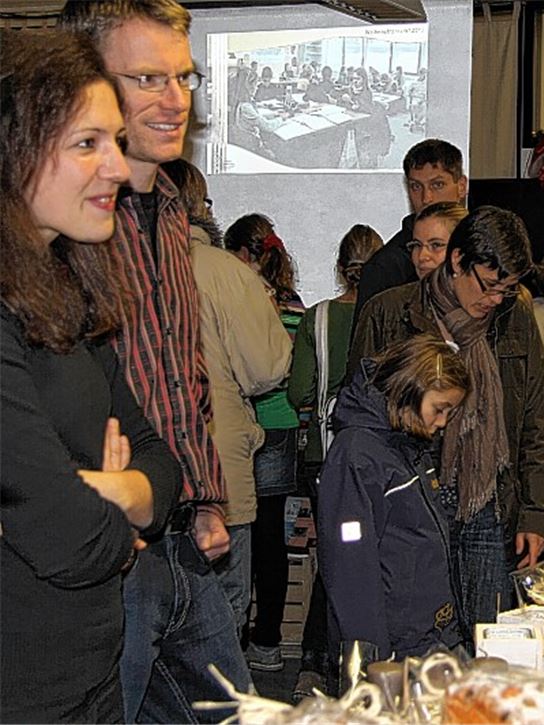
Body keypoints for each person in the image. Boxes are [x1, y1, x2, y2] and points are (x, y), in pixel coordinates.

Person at [59, 1, 254, 720]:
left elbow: (181, 373)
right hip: (106, 552)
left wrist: (204, 494)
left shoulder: (172, 208)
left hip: (180, 537)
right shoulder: (58, 227)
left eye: (185, 77)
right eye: (149, 78)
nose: (177, 101)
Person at [0, 28, 181, 723]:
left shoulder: (66, 291)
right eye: (87, 144)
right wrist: (122, 521)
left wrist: (107, 490)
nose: (116, 164)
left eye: (115, 139)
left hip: (92, 674)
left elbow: (163, 467)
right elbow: (71, 539)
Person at [349, 206, 544, 635]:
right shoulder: (389, 312)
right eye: (489, 285)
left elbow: (537, 420)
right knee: (420, 636)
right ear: (457, 260)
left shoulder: (515, 318)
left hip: (489, 502)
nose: (495, 300)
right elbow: (358, 415)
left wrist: (536, 513)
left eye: (509, 288)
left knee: (489, 638)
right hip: (412, 502)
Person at [163, 162, 292, 645]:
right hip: (216, 466)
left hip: (139, 474)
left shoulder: (115, 265)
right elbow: (267, 367)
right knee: (216, 621)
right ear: (198, 207)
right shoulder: (225, 273)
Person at [319, 335, 469, 666]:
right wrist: (371, 657)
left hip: (430, 636)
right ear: (408, 391)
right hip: (392, 649)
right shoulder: (356, 456)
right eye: (439, 409)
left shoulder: (408, 444)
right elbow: (349, 568)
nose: (442, 422)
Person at [287, 223, 383, 699]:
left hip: (323, 455)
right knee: (368, 560)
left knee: (330, 561)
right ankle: (361, 663)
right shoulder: (389, 312)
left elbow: (299, 390)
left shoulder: (318, 318)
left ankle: (312, 665)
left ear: (340, 266)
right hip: (377, 460)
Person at [224, 214, 306, 672]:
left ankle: (230, 640)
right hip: (284, 424)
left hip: (242, 423)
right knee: (272, 537)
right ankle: (269, 643)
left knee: (237, 533)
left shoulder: (238, 298)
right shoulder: (293, 304)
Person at [353, 139, 467, 324]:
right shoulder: (386, 268)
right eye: (416, 187)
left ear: (461, 186)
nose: (426, 198)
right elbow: (365, 348)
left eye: (437, 185)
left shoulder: (485, 251)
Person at [408, 201, 469, 281]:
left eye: (436, 245)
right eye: (417, 245)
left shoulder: (487, 292)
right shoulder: (397, 293)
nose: (421, 257)